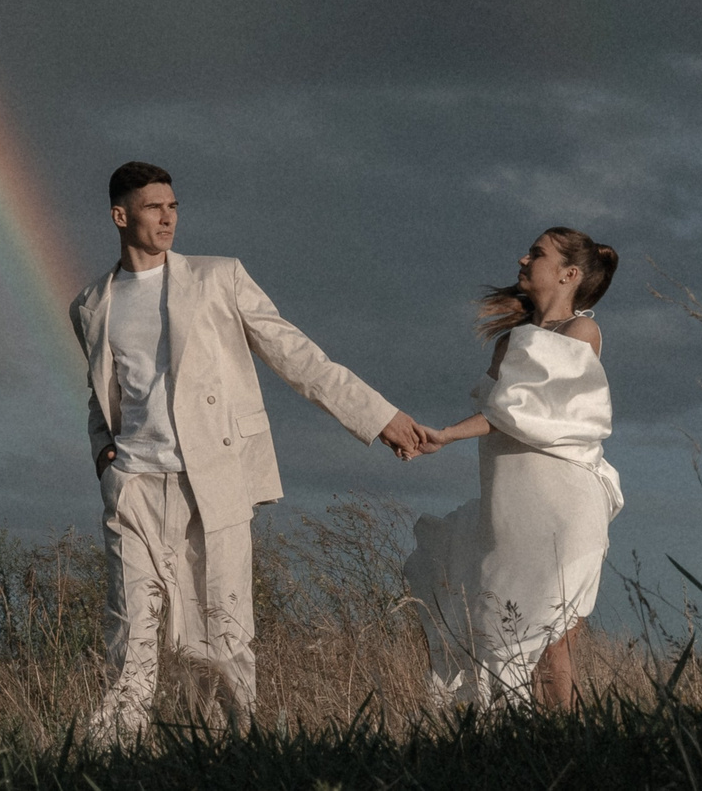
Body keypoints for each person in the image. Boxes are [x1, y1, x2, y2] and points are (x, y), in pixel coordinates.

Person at [70, 161, 433, 738]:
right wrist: (102, 456)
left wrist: (377, 415)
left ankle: (231, 751)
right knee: (129, 637)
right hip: (134, 486)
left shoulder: (218, 277)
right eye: (153, 207)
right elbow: (102, 397)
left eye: (174, 206)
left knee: (220, 635)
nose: (168, 217)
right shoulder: (92, 303)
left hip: (209, 481)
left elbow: (297, 355)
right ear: (120, 216)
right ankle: (114, 756)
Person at [402, 227, 622, 710]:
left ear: (570, 274)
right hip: (510, 512)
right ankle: (514, 748)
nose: (523, 259)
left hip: (562, 510)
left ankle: (561, 748)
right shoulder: (511, 342)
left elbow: (520, 413)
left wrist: (444, 435)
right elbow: (502, 416)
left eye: (537, 254)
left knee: (552, 639)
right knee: (500, 629)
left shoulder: (580, 332)